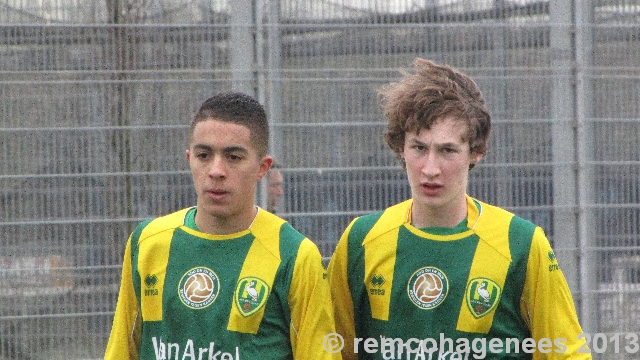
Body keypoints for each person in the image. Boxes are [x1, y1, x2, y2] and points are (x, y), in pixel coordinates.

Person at [327, 58, 590, 359]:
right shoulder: (362, 239)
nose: (430, 168)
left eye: (447, 150)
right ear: (401, 147)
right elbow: (331, 349)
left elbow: (567, 352)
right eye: (419, 148)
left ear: (477, 152)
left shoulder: (521, 243)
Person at [105, 92, 339, 360]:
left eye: (234, 157)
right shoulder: (148, 242)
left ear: (262, 168)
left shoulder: (295, 256)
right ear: (189, 159)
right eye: (204, 155)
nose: (216, 170)